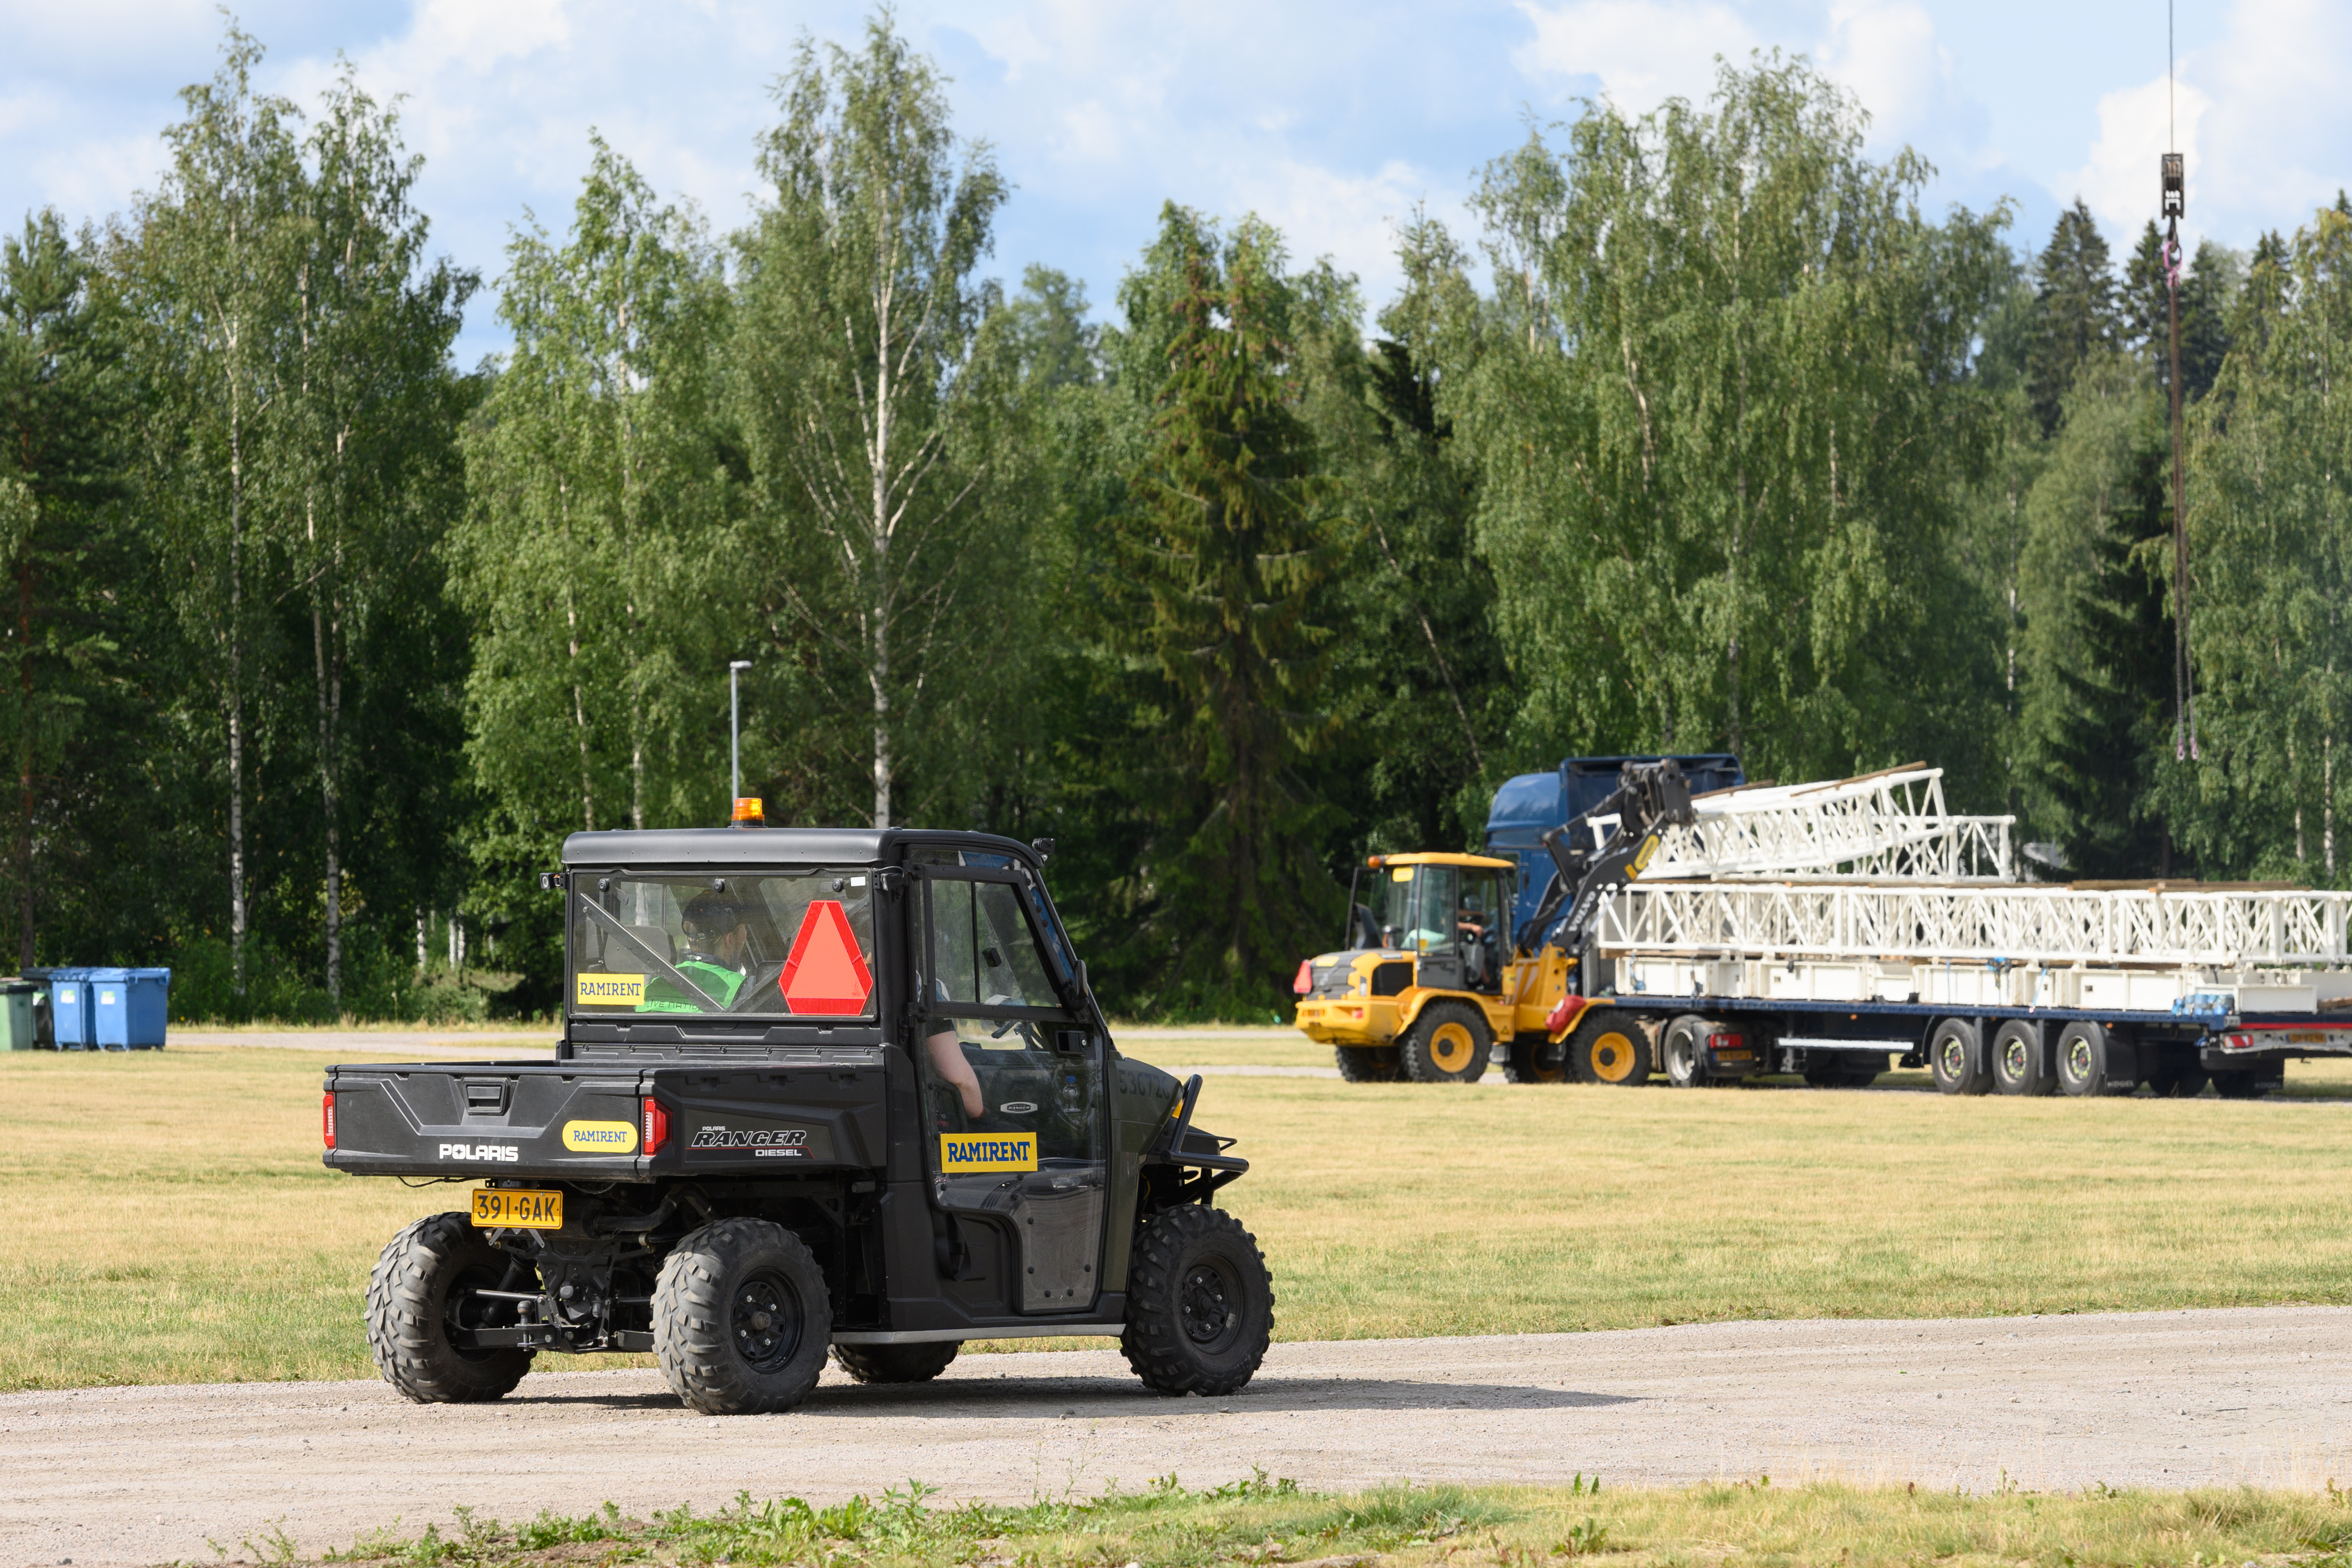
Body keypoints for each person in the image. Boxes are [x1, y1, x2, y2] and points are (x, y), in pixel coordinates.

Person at [638, 889, 751, 1012]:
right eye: (743, 929)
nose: (745, 935)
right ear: (729, 939)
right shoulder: (743, 989)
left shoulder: (655, 986)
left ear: (691, 939)